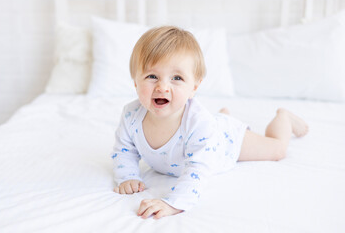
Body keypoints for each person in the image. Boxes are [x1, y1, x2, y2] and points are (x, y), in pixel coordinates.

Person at [111, 26, 309, 220]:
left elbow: (197, 169)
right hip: (211, 127)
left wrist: (174, 202)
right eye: (152, 76)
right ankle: (223, 115)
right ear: (135, 81)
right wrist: (128, 176)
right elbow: (124, 150)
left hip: (225, 141)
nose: (162, 87)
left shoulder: (199, 124)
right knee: (213, 122)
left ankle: (284, 118)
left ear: (194, 87)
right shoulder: (131, 115)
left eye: (177, 78)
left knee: (277, 150)